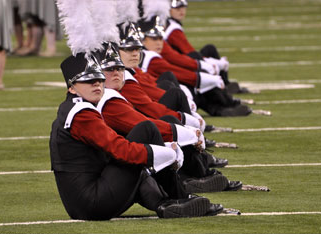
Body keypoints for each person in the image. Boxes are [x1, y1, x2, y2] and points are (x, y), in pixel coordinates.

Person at [50, 52, 223, 219]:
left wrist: (159, 152)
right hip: (92, 202)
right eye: (89, 81)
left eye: (99, 79)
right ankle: (181, 195)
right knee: (145, 132)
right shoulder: (82, 113)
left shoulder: (76, 108)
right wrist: (165, 154)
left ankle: (167, 204)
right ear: (72, 87)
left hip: (84, 202)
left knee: (139, 162)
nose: (96, 84)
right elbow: (119, 149)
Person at [95, 42, 242, 193]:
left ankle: (191, 175)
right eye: (128, 49)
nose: (135, 53)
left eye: (119, 68)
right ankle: (187, 182)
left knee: (167, 120)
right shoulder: (110, 98)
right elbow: (146, 113)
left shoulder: (124, 79)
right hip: (115, 166)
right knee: (164, 121)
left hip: (120, 158)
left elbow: (149, 99)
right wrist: (185, 130)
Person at [138, 16, 251, 117]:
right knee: (190, 86)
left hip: (155, 96)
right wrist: (206, 76)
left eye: (160, 38)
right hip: (154, 101)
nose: (159, 42)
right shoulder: (150, 58)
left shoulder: (150, 53)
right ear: (143, 41)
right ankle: (224, 105)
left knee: (194, 84)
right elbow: (176, 69)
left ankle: (223, 107)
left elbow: (177, 59)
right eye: (154, 39)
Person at [164, 0, 248, 94]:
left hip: (177, 63)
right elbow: (190, 53)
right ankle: (225, 86)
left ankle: (224, 83)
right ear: (168, 10)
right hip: (179, 65)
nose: (181, 11)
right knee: (210, 50)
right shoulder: (174, 30)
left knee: (209, 50)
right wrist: (211, 62)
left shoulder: (169, 24)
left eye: (183, 8)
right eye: (177, 9)